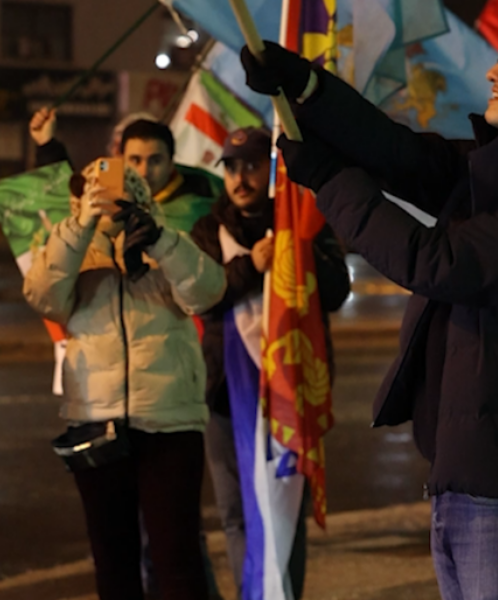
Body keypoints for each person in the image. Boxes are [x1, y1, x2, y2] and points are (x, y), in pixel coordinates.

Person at [240, 17, 498, 600]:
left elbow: (437, 262)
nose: (493, 71)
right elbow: (402, 155)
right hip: (468, 477)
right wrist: (307, 89)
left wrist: (329, 179)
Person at [23, 161, 225, 600]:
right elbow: (42, 296)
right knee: (113, 563)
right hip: (97, 420)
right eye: (98, 191)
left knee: (178, 562)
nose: (111, 199)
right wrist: (82, 227)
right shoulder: (70, 245)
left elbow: (206, 292)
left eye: (120, 191)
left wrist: (161, 239)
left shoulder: (167, 243)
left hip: (169, 421)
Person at [189, 127, 350, 598]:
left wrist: (295, 252)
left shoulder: (302, 219)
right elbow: (200, 297)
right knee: (237, 512)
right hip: (225, 395)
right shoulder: (206, 229)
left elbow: (338, 291)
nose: (240, 177)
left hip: (290, 392)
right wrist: (248, 268)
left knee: (284, 509)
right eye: (231, 168)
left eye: (252, 166)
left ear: (272, 169)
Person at [29, 109, 220, 234]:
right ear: (121, 160)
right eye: (135, 160)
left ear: (171, 163)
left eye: (155, 161)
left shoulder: (203, 207)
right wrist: (47, 145)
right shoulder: (104, 199)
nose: (144, 172)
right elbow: (66, 205)